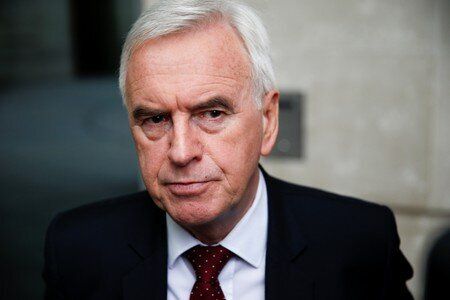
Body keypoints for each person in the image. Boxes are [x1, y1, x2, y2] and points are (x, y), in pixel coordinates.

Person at [42, 0, 414, 299]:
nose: (181, 152)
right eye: (155, 120)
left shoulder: (359, 243)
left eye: (212, 113)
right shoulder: (77, 250)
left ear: (268, 121)